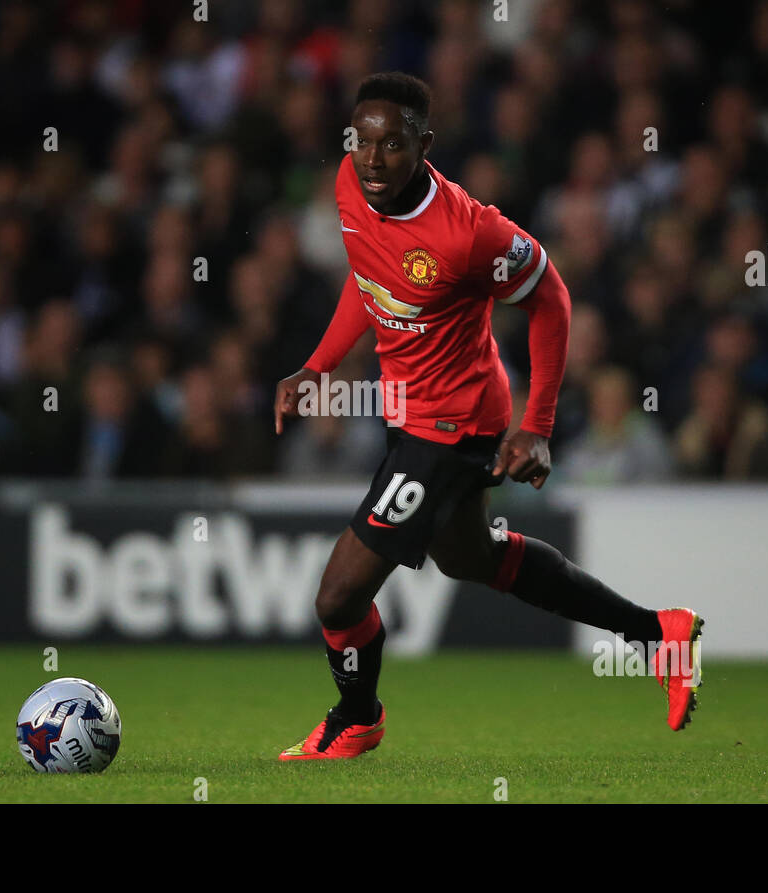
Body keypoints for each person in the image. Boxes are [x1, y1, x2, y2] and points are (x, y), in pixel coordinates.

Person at [272, 73, 702, 761]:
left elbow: (553, 300)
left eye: (391, 144)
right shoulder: (352, 186)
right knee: (471, 556)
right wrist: (318, 365)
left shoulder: (470, 233)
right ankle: (660, 634)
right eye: (362, 141)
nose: (373, 159)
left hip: (452, 425)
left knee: (337, 597)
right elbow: (368, 275)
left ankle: (358, 718)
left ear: (425, 145)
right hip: (412, 412)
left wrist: (536, 425)